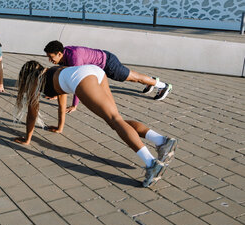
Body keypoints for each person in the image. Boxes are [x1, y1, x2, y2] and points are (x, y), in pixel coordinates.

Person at [13, 60, 177, 187]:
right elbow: (62, 101)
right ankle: (162, 141)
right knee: (116, 119)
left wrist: (28, 138)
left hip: (81, 78)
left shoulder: (36, 80)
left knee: (115, 120)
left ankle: (151, 164)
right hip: (93, 71)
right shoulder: (51, 71)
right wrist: (60, 127)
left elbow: (32, 113)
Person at [44, 41, 172, 113]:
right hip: (101, 63)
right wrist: (56, 94)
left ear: (60, 53)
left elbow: (77, 84)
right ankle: (150, 81)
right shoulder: (65, 54)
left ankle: (162, 86)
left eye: (51, 57)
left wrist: (74, 105)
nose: (50, 60)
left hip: (108, 63)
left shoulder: (74, 58)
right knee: (133, 76)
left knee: (133, 77)